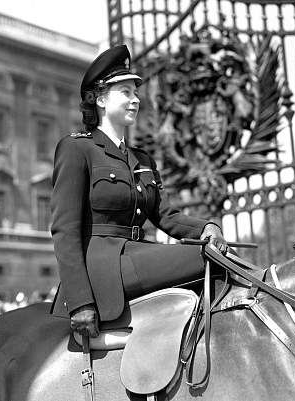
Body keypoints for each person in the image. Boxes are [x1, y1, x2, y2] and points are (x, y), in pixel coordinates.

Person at [50, 44, 228, 339]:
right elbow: (64, 230)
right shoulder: (76, 148)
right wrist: (79, 301)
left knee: (219, 254)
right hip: (103, 266)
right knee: (211, 259)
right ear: (101, 99)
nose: (136, 100)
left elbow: (166, 217)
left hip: (138, 256)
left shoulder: (143, 160)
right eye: (126, 93)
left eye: (136, 93)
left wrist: (207, 227)